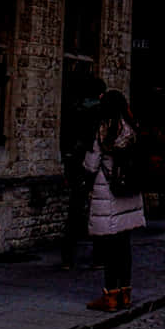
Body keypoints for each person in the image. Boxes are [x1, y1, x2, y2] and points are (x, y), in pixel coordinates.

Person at [82, 89, 145, 312]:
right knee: (125, 246)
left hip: (109, 192)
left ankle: (110, 296)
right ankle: (125, 294)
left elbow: (91, 165)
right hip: (129, 193)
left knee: (109, 248)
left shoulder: (104, 130)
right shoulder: (131, 128)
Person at [60, 75, 107, 268]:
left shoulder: (73, 109)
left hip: (74, 165)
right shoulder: (100, 113)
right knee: (98, 212)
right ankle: (98, 257)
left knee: (75, 211)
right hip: (92, 165)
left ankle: (67, 257)